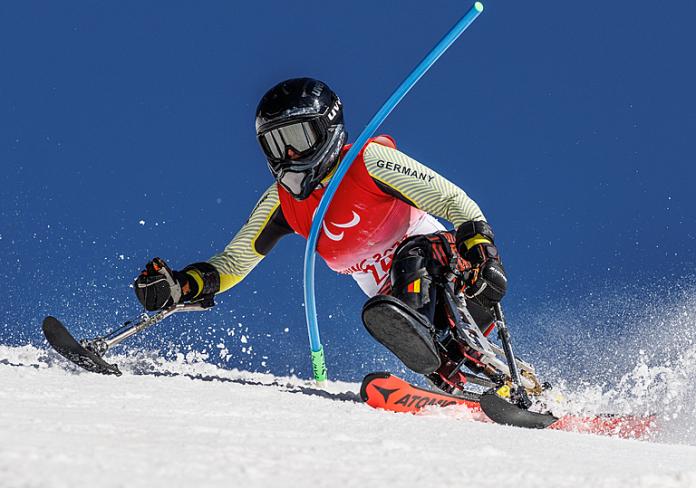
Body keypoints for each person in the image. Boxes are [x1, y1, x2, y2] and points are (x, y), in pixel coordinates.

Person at [134, 78, 508, 391]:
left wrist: (483, 254)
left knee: (412, 264)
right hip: (398, 306)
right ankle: (490, 384)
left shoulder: (368, 163)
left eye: (299, 136)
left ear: (328, 129)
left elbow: (455, 201)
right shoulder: (283, 202)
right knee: (438, 359)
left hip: (450, 274)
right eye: (277, 144)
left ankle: (456, 347)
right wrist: (182, 286)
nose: (290, 154)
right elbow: (235, 261)